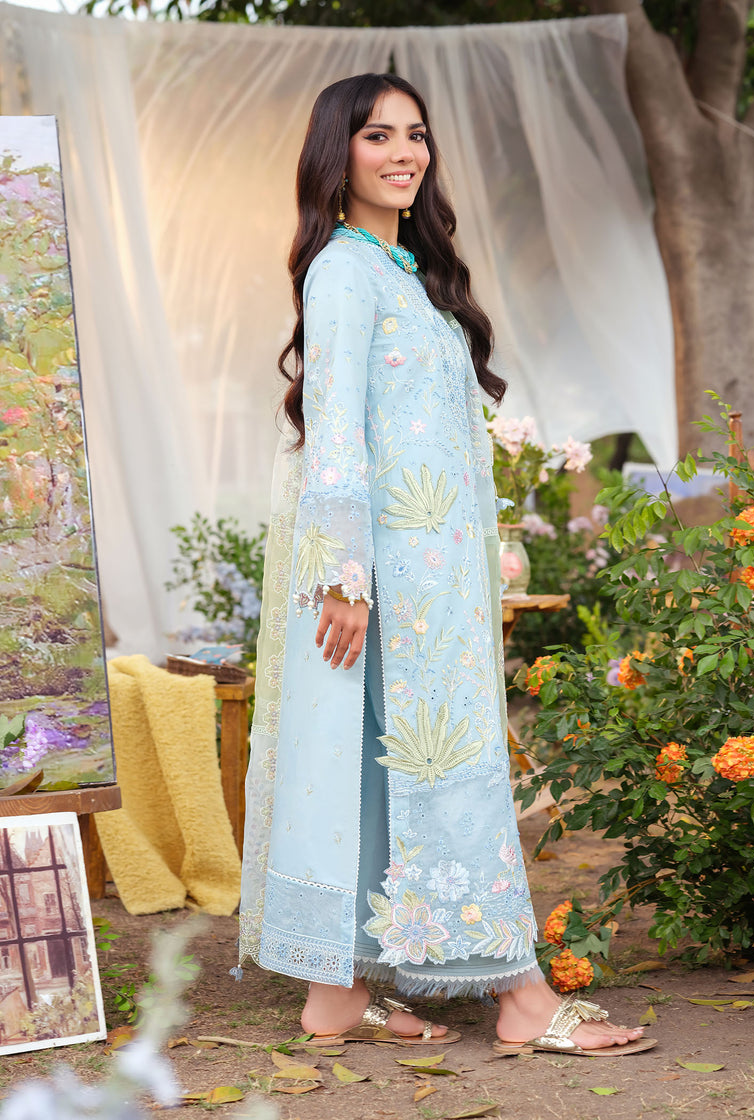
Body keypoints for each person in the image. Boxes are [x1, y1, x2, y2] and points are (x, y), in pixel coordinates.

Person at [238, 72, 654, 1057]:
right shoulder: (342, 272)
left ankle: (337, 994)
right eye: (378, 135)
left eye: (415, 134)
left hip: (433, 577)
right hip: (386, 577)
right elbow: (335, 428)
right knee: (447, 762)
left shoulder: (407, 274)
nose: (404, 153)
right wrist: (345, 577)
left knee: (379, 760)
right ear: (336, 153)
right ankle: (519, 995)